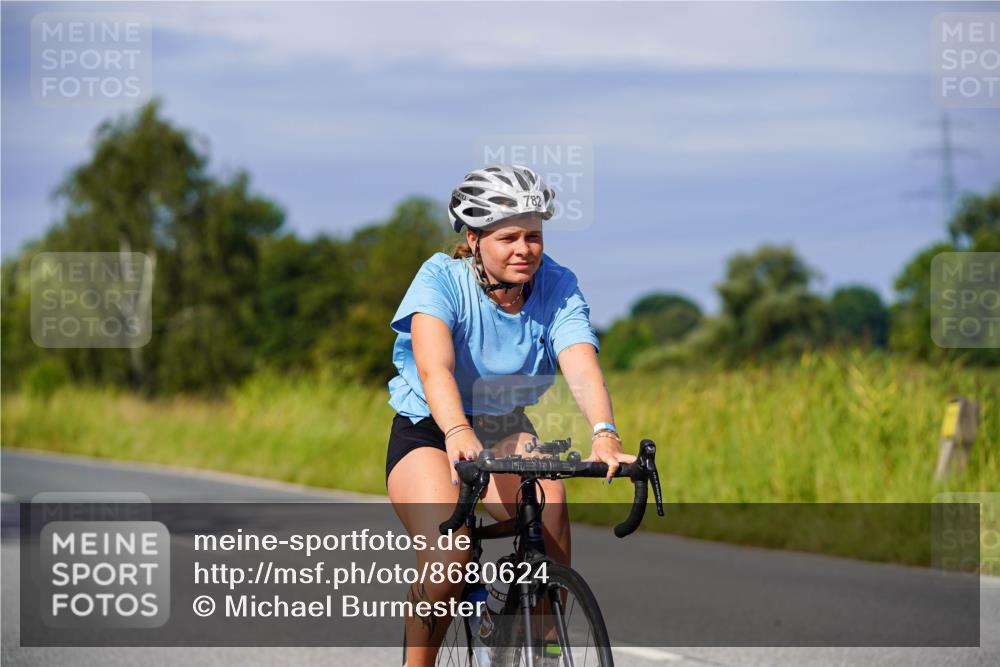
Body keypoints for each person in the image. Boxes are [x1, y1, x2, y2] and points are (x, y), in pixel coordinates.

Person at [385, 164, 635, 667]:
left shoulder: (557, 285)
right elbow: (435, 369)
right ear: (475, 240)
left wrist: (604, 434)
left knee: (550, 506)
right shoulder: (441, 278)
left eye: (535, 236)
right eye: (510, 237)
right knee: (449, 560)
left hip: (503, 423)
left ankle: (540, 648)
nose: (525, 249)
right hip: (431, 428)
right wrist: (456, 430)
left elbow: (581, 364)